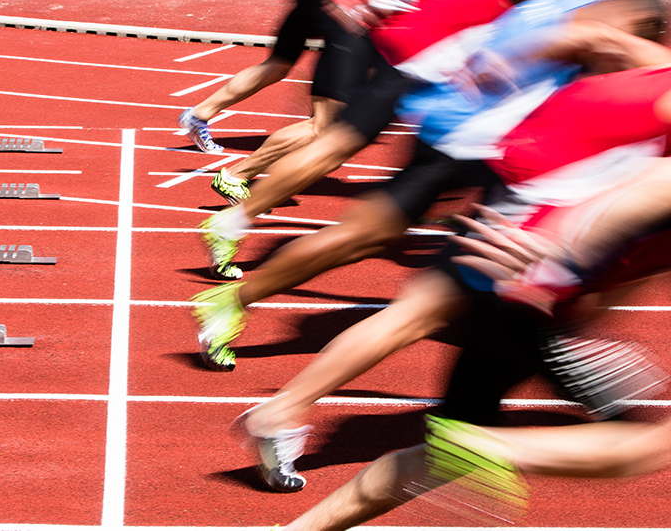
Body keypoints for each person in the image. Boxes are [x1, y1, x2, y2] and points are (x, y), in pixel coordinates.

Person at [234, 58, 671, 494]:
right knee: (437, 331)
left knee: (422, 319)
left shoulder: (635, 66)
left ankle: (284, 412)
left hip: (533, 194)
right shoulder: (630, 56)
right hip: (542, 219)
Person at [192, 0, 669, 373]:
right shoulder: (605, 12)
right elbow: (592, 42)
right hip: (481, 145)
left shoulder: (573, 6)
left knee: (368, 239)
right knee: (401, 262)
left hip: (475, 138)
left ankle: (235, 295)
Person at [278, 212, 671, 531]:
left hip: (520, 297)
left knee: (436, 458)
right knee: (645, 443)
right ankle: (482, 446)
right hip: (542, 305)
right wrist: (565, 254)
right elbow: (638, 193)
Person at [199, 0, 522, 279]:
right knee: (329, 133)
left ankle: (232, 221)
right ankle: (237, 188)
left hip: (412, 35)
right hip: (431, 43)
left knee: (339, 139)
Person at [178, 0, 372, 156]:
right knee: (362, 58)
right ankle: (310, 135)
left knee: (277, 64)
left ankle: (199, 114)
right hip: (338, 4)